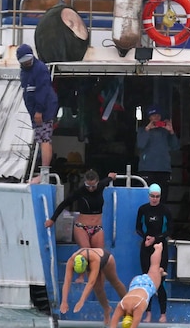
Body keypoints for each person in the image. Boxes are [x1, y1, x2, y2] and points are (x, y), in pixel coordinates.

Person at [46, 168, 117, 252]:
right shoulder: (80, 191)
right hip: (82, 227)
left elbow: (107, 180)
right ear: (84, 183)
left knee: (99, 254)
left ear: (97, 182)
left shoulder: (100, 186)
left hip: (97, 227)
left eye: (93, 186)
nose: (90, 189)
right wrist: (52, 219)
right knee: (86, 252)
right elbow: (64, 204)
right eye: (88, 186)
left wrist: (111, 177)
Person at [134, 183, 173, 322]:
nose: (154, 199)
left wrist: (155, 239)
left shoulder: (165, 211)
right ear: (149, 196)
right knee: (147, 281)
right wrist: (146, 238)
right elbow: (138, 228)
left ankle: (163, 314)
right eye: (152, 196)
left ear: (160, 197)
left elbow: (170, 230)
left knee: (160, 282)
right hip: (146, 247)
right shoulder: (143, 209)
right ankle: (148, 313)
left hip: (161, 248)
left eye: (157, 197)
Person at [18, 44, 58, 172]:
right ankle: (42, 168)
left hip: (44, 109)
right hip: (34, 111)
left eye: (29, 59)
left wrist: (39, 111)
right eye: (24, 61)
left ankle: (45, 170)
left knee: (45, 138)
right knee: (40, 139)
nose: (28, 63)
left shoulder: (40, 69)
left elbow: (43, 90)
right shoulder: (24, 72)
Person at [60, 248, 127, 325]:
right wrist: (64, 301)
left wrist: (81, 301)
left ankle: (127, 306)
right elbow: (67, 282)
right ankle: (107, 309)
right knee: (97, 288)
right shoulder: (71, 261)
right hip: (90, 260)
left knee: (115, 282)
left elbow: (91, 283)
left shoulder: (94, 260)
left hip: (106, 260)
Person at [109, 245, 165, 328]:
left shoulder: (136, 307)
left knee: (155, 266)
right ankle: (159, 269)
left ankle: (159, 249)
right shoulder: (122, 305)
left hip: (148, 285)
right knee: (154, 267)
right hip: (135, 283)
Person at [136, 105, 179, 205]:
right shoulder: (143, 130)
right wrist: (148, 129)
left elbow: (175, 147)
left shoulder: (165, 131)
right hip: (147, 168)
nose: (156, 118)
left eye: (158, 115)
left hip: (163, 169)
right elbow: (140, 144)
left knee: (163, 198)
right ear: (149, 117)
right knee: (145, 197)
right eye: (153, 115)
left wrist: (171, 131)